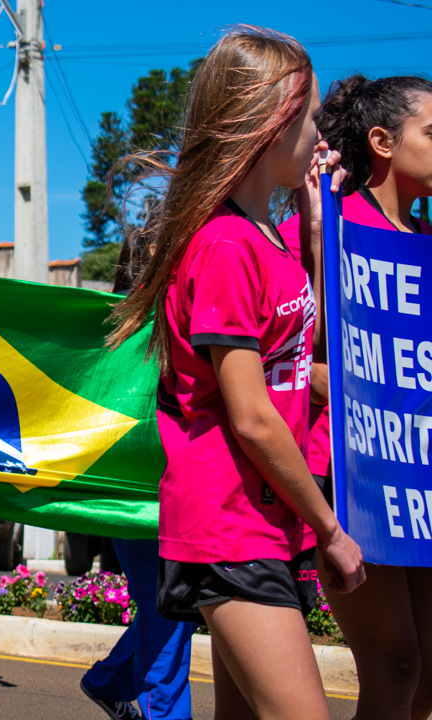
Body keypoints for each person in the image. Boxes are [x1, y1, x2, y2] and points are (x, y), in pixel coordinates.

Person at [105, 26, 365, 718]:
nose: (320, 134)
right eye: (310, 115)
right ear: (274, 117)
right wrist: (332, 529)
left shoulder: (266, 244)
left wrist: (312, 227)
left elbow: (300, 364)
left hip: (261, 521)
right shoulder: (223, 245)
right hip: (229, 522)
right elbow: (250, 414)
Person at [279, 74, 432, 720]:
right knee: (395, 668)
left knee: (426, 681)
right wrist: (327, 379)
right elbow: (282, 354)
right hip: (355, 479)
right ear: (382, 142)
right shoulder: (326, 222)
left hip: (421, 482)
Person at [79, 232, 195, 720]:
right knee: (166, 610)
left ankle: (110, 680)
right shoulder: (113, 334)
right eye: (161, 259)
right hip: (135, 494)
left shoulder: (181, 319)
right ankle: (164, 713)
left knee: (171, 609)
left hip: (181, 487)